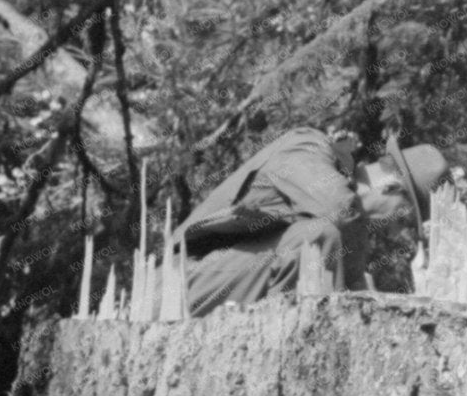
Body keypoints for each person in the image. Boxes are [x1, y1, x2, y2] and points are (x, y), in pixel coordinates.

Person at [177, 129, 449, 315]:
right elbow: (339, 208)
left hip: (223, 285)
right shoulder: (309, 146)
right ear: (390, 188)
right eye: (403, 220)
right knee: (317, 238)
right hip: (179, 286)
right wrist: (358, 289)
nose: (394, 232)